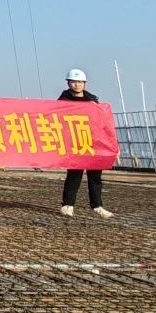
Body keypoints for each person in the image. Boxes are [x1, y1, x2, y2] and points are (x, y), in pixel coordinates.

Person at [59, 68, 113, 218]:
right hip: (74, 143)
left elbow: (102, 122)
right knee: (74, 174)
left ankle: (97, 206)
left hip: (92, 142)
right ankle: (68, 205)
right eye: (74, 82)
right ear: (68, 83)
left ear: (84, 83)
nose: (77, 85)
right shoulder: (63, 102)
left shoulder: (93, 101)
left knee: (95, 175)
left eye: (80, 82)